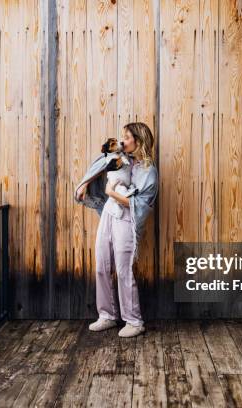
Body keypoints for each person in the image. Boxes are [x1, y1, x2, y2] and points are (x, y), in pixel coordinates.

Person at [74, 122, 158, 337]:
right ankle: (107, 316)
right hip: (109, 216)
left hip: (127, 220)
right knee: (102, 264)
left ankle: (134, 321)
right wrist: (85, 183)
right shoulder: (123, 159)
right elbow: (102, 163)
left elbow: (141, 203)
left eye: (128, 137)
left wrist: (112, 193)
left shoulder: (148, 171)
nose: (123, 141)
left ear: (138, 141)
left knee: (123, 269)